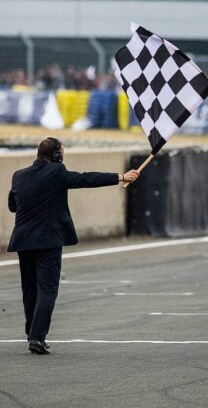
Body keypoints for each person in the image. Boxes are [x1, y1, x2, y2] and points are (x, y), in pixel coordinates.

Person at [7, 138, 140, 355]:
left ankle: (32, 333)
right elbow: (85, 179)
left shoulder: (18, 175)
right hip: (48, 240)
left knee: (29, 290)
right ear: (56, 156)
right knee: (47, 290)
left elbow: (13, 206)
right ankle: (37, 337)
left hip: (23, 241)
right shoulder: (57, 172)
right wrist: (121, 177)